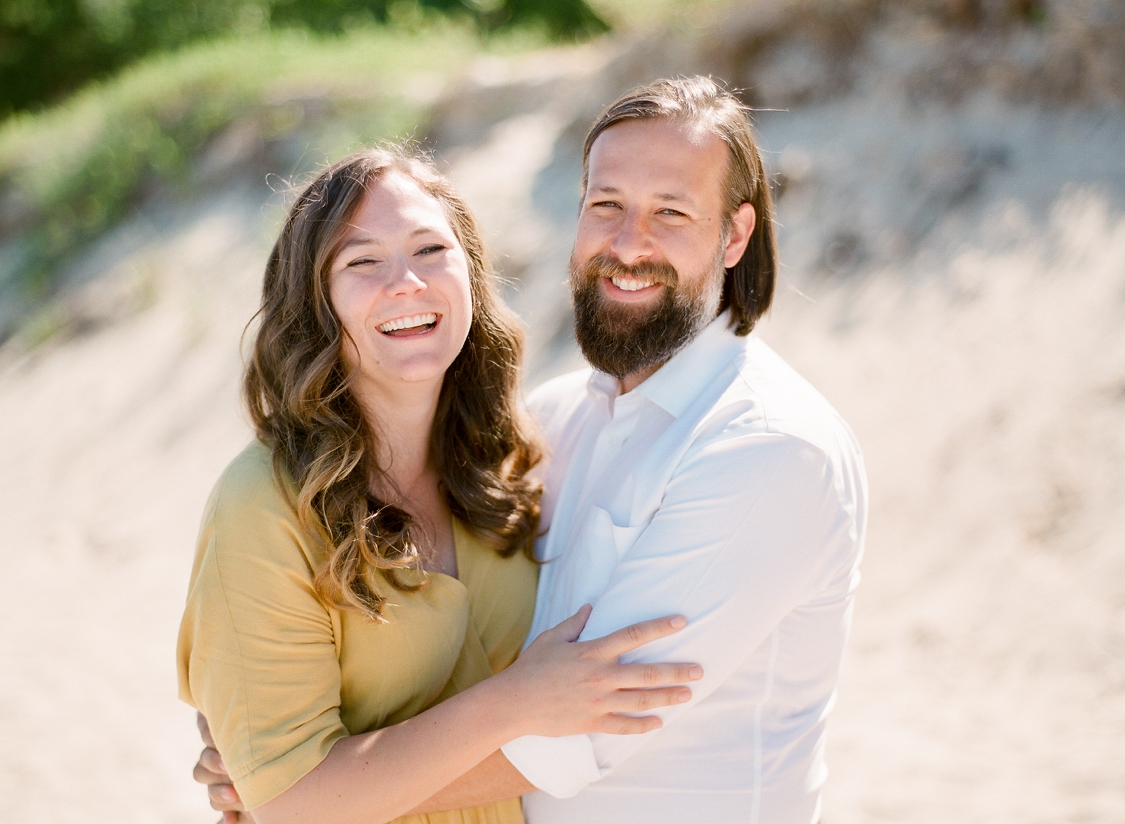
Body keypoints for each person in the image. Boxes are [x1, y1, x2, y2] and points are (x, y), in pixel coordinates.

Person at [197, 75, 867, 824]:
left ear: (735, 234)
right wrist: (277, 766)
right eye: (604, 206)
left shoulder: (766, 450)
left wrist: (300, 794)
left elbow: (569, 733)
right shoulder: (542, 430)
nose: (627, 244)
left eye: (670, 213)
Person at [176, 144, 704, 824]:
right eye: (362, 261)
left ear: (470, 274)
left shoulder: (511, 463)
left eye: (430, 250)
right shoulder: (263, 503)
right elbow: (289, 806)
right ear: (315, 303)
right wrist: (516, 701)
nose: (407, 282)